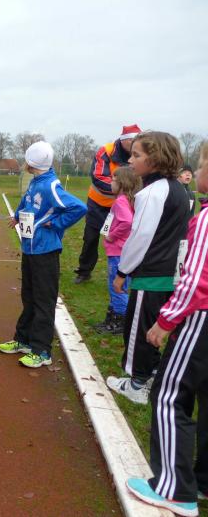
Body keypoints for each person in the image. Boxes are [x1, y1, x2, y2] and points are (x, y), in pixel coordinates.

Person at [124, 142, 208, 517]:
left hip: (199, 317)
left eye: (202, 164)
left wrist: (165, 321)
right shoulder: (182, 197)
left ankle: (175, 490)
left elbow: (197, 279)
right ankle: (202, 480)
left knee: (169, 395)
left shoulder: (202, 218)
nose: (197, 171)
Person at [105, 131, 191, 404]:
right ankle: (150, 374)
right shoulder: (177, 189)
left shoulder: (152, 193)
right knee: (152, 329)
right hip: (169, 273)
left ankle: (136, 383)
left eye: (137, 155)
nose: (130, 160)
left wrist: (122, 272)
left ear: (155, 159)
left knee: (138, 329)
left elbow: (140, 237)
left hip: (151, 274)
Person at [0, 141, 86, 368]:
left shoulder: (50, 185)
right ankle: (23, 340)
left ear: (31, 162)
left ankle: (42, 351)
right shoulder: (35, 182)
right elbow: (26, 202)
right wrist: (17, 216)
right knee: (28, 297)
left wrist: (56, 224)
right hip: (30, 248)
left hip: (45, 252)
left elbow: (79, 207)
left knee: (43, 301)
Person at [74, 124, 141, 284]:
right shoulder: (106, 150)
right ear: (123, 140)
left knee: (126, 239)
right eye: (132, 141)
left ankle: (125, 272)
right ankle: (84, 271)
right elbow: (98, 177)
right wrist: (124, 189)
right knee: (90, 238)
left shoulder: (141, 153)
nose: (135, 145)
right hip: (98, 203)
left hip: (124, 206)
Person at [92, 167, 140, 335]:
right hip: (124, 251)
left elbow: (127, 222)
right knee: (120, 286)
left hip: (118, 252)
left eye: (113, 180)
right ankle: (112, 318)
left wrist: (112, 235)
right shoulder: (129, 200)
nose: (110, 183)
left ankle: (121, 321)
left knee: (116, 287)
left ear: (122, 183)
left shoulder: (121, 201)